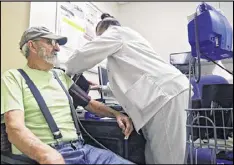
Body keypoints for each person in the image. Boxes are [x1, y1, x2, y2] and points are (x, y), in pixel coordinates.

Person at [65, 13, 191, 164]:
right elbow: (131, 83)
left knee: (167, 158)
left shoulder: (115, 32)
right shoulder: (127, 41)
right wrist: (101, 88)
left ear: (103, 33)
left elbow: (81, 57)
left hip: (164, 96)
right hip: (162, 96)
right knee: (153, 155)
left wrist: (65, 72)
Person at [1, 26, 134, 164]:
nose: (57, 48)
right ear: (32, 46)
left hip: (82, 149)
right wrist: (45, 154)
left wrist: (116, 114)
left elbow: (89, 103)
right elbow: (14, 128)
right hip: (46, 154)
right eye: (50, 42)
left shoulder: (60, 76)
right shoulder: (14, 77)